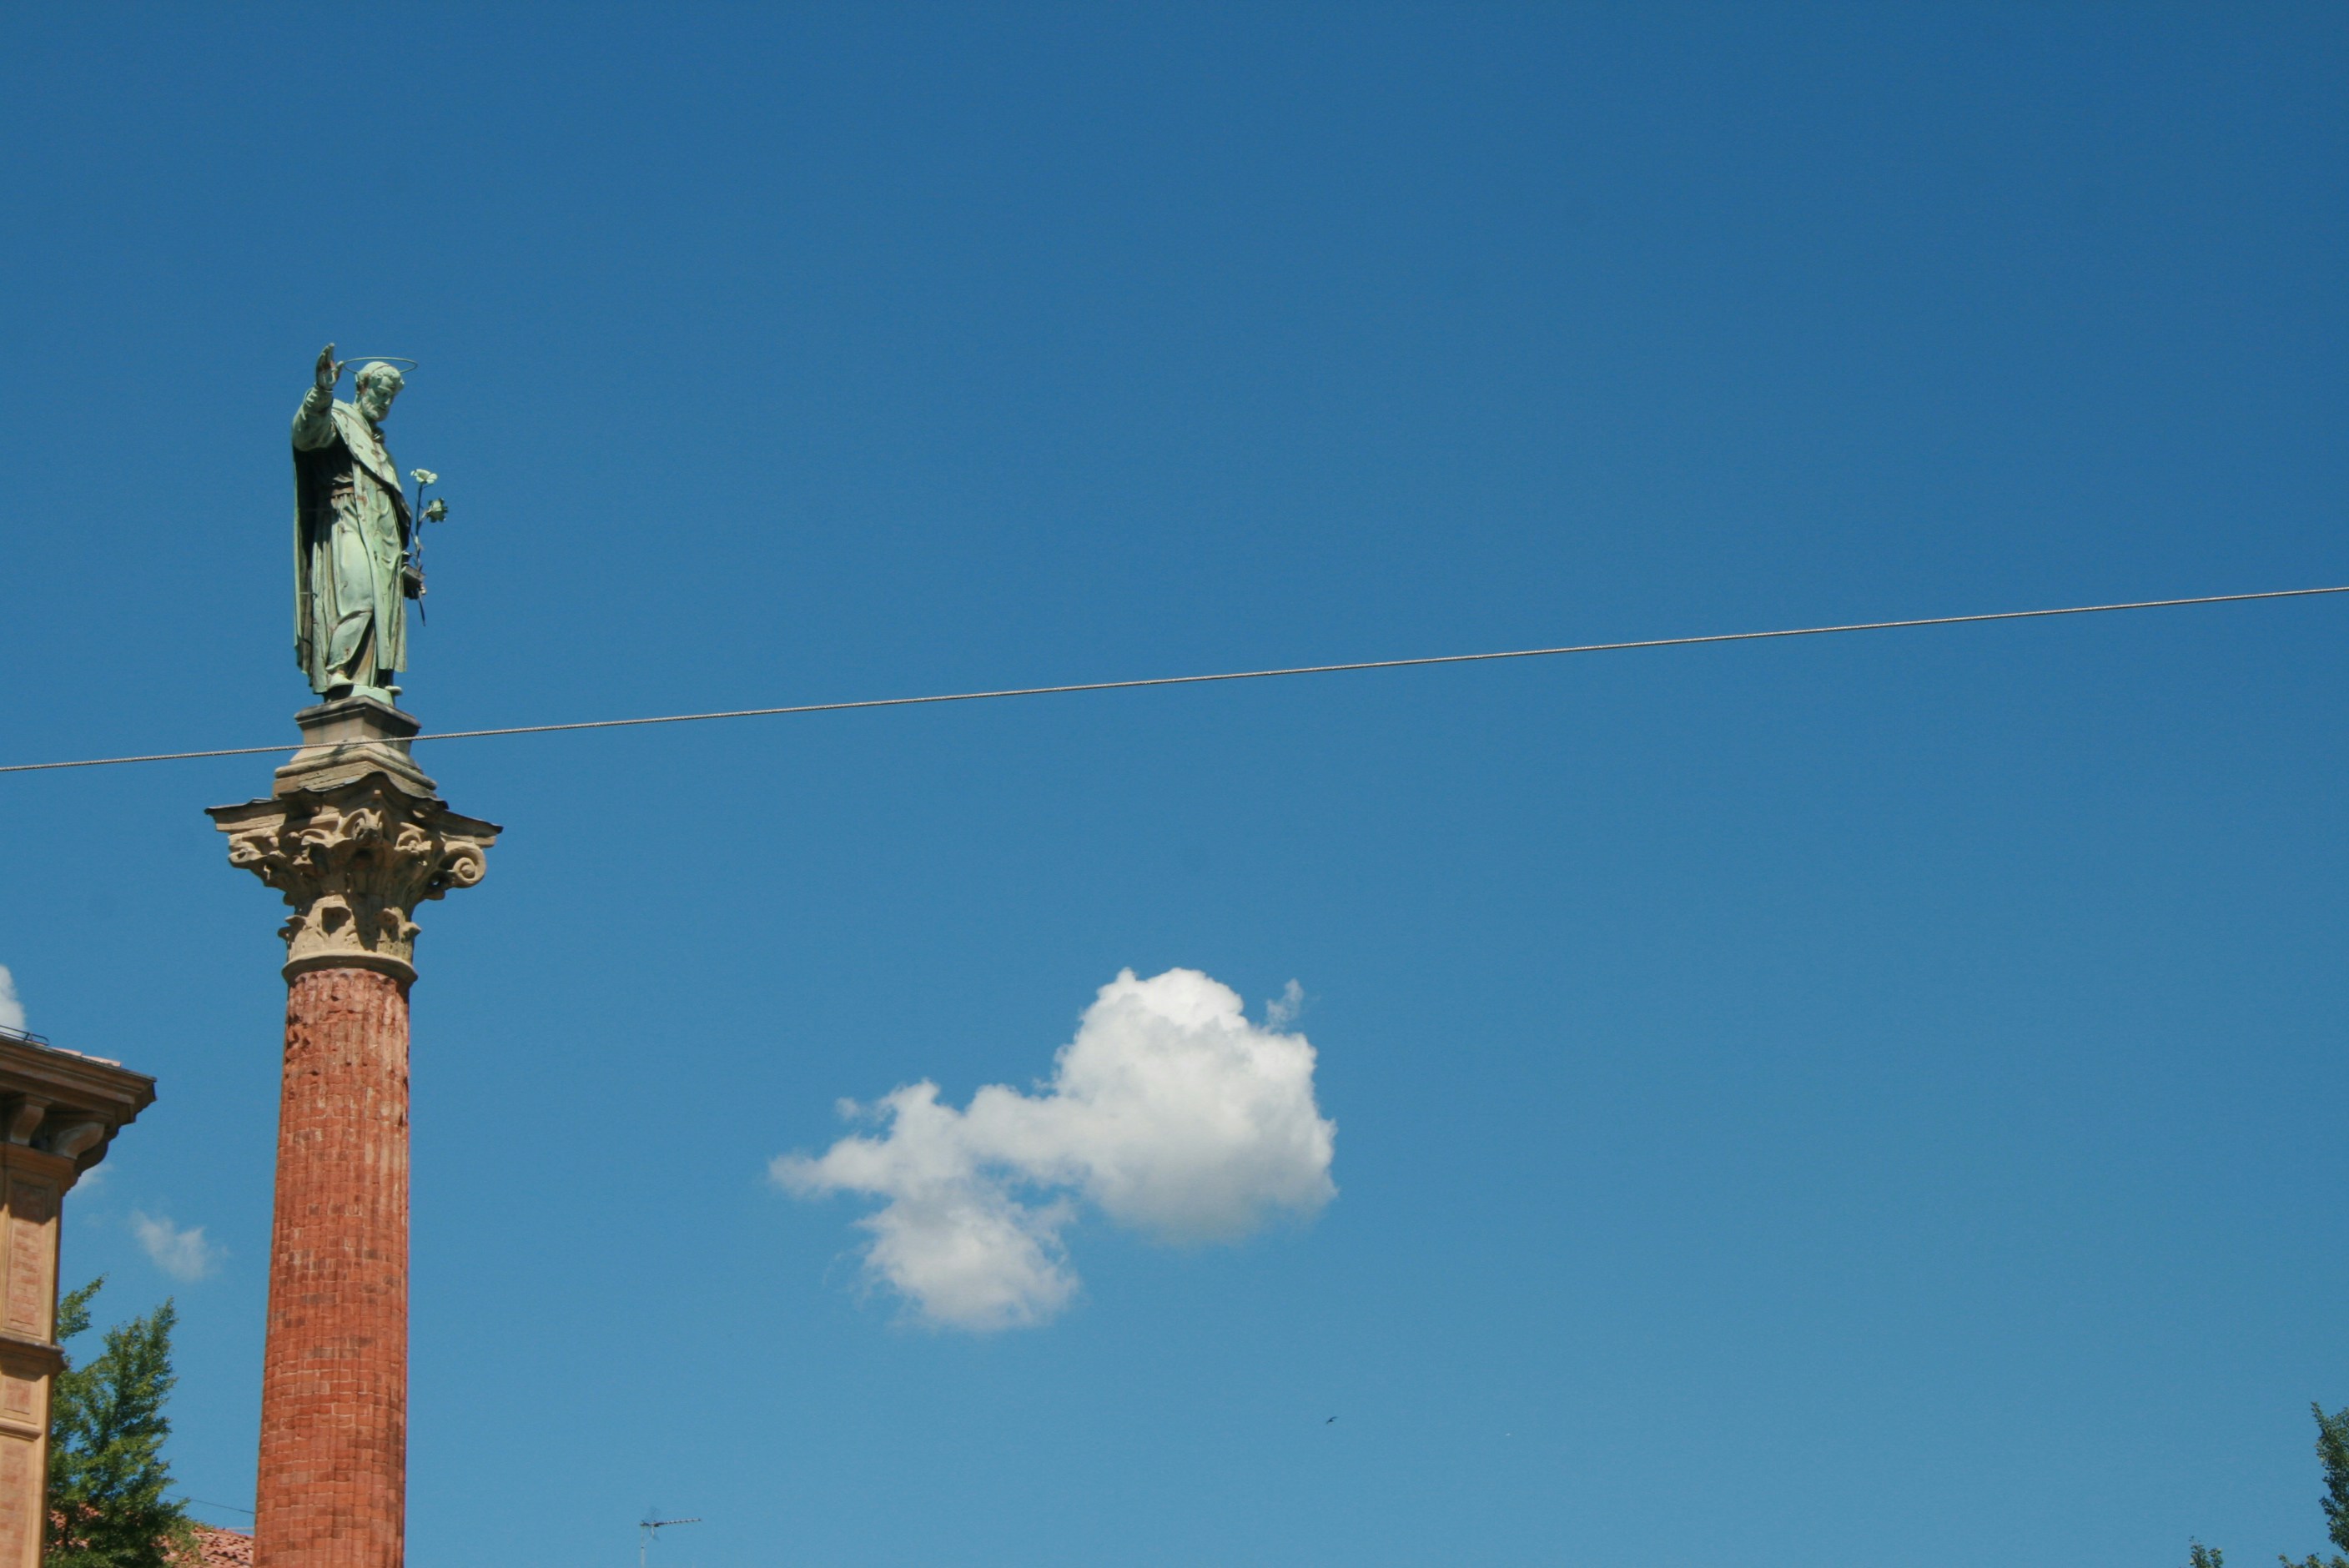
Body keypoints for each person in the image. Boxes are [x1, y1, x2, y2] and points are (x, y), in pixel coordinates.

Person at [291, 344, 412, 701]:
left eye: (391, 398)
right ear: (361, 387)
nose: (386, 403)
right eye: (381, 393)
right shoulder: (339, 418)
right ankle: (338, 668)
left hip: (383, 535)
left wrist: (404, 560)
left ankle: (373, 676)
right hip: (344, 517)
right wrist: (322, 392)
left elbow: (391, 502)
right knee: (358, 594)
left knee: (383, 605)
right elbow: (306, 432)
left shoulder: (381, 448)